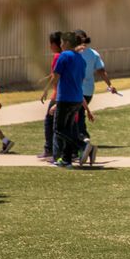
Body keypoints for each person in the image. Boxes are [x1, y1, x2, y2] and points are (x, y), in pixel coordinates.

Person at [42, 30, 95, 168]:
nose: (60, 45)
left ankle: (83, 145)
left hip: (66, 98)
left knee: (59, 129)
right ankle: (66, 160)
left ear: (66, 43)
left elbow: (56, 75)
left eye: (61, 42)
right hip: (77, 98)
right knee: (69, 129)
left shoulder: (64, 56)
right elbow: (81, 78)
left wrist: (47, 92)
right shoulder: (80, 59)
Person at [74, 29, 116, 146]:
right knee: (79, 113)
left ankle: (83, 138)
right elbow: (101, 71)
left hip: (76, 89)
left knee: (77, 115)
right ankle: (81, 138)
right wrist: (110, 85)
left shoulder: (73, 54)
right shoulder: (94, 54)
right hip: (88, 90)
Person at [38, 31, 63, 160]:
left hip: (58, 94)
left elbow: (56, 76)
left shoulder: (57, 56)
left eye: (50, 44)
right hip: (61, 93)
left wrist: (46, 89)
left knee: (49, 121)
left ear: (54, 44)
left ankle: (49, 148)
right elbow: (55, 74)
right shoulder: (64, 55)